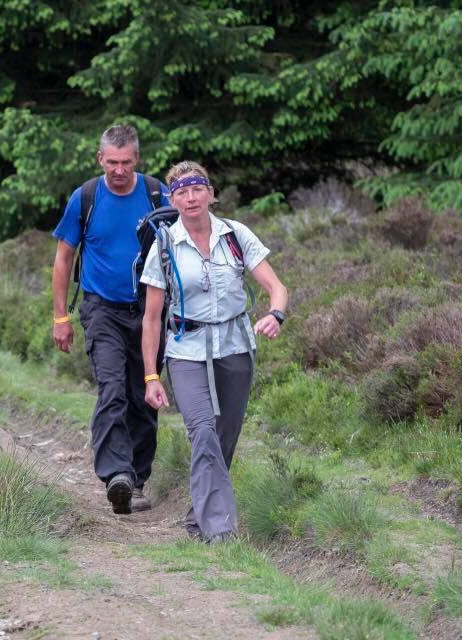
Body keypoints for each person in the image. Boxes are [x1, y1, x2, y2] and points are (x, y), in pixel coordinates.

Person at [140, 160, 287, 543]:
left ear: (210, 192)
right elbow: (152, 319)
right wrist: (151, 376)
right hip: (186, 351)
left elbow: (277, 288)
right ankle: (221, 531)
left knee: (224, 438)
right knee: (202, 432)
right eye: (181, 192)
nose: (190, 198)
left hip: (237, 347)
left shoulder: (236, 234)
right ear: (173, 199)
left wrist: (276, 315)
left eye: (197, 189)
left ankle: (197, 518)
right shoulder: (165, 245)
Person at [51, 124, 169, 514]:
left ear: (137, 159)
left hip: (150, 310)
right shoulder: (84, 198)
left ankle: (136, 479)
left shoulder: (156, 195)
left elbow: (179, 247)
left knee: (143, 394)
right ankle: (116, 474)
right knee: (112, 388)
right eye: (112, 162)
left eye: (126, 162)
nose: (119, 170)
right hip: (101, 308)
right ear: (100, 159)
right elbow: (64, 258)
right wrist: (60, 316)